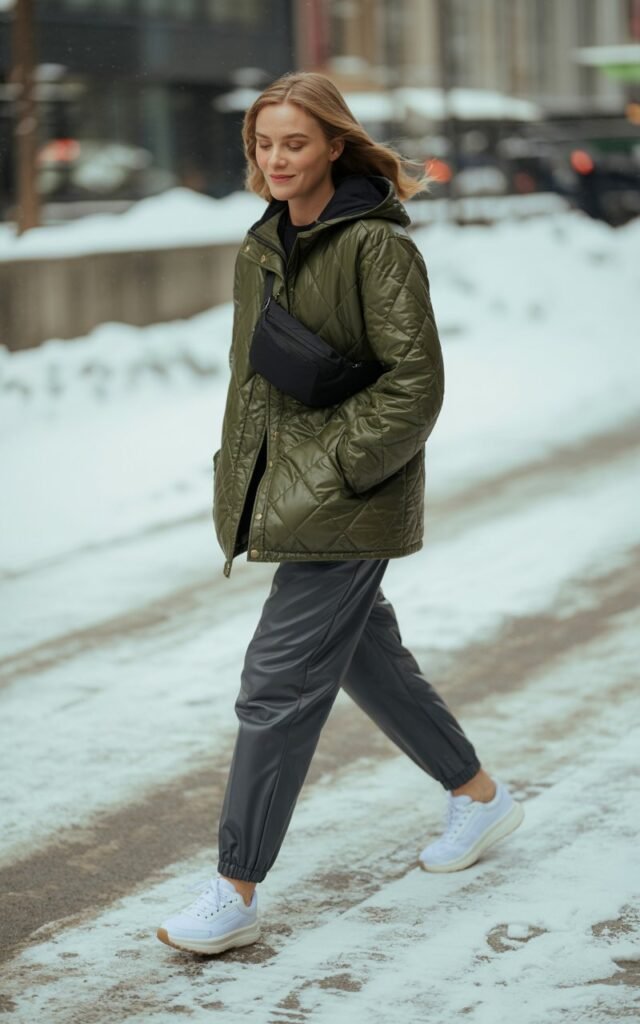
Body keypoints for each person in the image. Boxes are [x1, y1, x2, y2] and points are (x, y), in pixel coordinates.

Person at [157, 71, 524, 956]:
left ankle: (235, 889)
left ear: (333, 146)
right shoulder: (265, 242)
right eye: (264, 143)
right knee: (366, 654)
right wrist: (243, 477)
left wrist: (337, 468)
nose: (277, 159)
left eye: (295, 142)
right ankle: (479, 798)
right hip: (297, 489)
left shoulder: (376, 247)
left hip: (350, 493)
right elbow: (255, 384)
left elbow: (417, 383)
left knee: (277, 684)